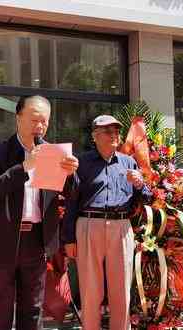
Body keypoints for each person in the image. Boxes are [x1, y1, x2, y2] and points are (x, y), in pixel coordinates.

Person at [0, 95, 79, 330]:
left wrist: (71, 175)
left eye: (44, 121)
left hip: (36, 241)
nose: (40, 126)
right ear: (19, 118)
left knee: (33, 309)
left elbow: (72, 194)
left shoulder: (53, 152)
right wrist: (25, 167)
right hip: (4, 240)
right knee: (0, 308)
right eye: (35, 119)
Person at [63, 115, 150, 330]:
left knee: (121, 290)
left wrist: (139, 184)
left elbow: (146, 198)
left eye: (116, 132)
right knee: (91, 291)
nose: (114, 135)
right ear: (95, 136)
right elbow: (71, 201)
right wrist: (69, 238)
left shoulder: (128, 161)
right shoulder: (81, 162)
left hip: (121, 227)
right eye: (107, 132)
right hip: (89, 224)